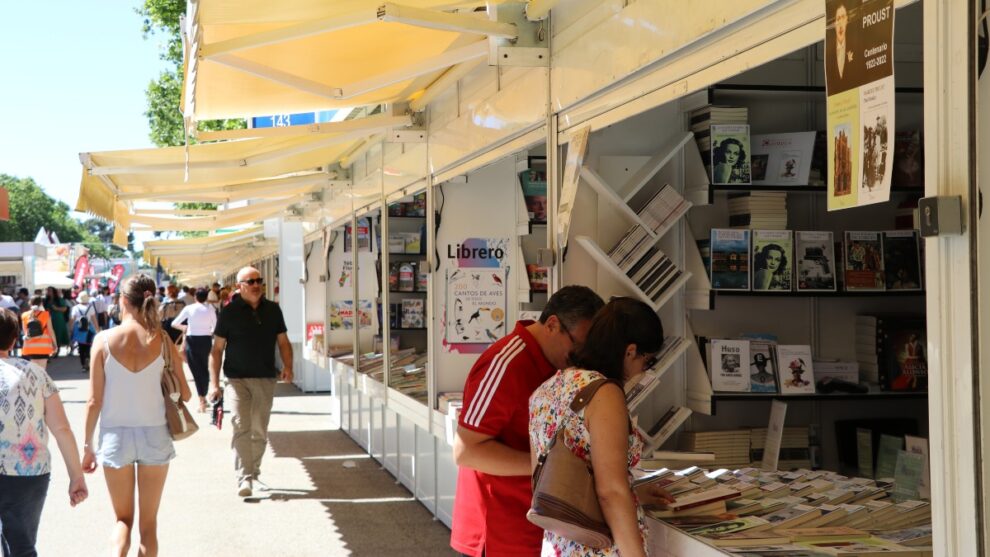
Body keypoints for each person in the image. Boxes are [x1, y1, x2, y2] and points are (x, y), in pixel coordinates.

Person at [450, 285, 605, 557]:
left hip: (539, 527)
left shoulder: (558, 365)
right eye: (578, 346)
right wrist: (548, 466)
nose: (581, 357)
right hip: (500, 531)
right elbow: (465, 451)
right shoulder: (505, 362)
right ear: (553, 324)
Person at [528, 297, 673, 557]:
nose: (643, 370)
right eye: (647, 361)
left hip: (560, 543)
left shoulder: (546, 390)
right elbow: (610, 492)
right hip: (599, 545)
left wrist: (635, 492)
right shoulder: (604, 393)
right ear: (630, 351)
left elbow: (551, 479)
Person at [82, 274, 190, 557]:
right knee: (149, 525)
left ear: (122, 301)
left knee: (122, 520)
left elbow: (94, 400)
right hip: (154, 433)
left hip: (115, 435)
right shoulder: (162, 339)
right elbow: (186, 394)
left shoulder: (103, 340)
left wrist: (87, 447)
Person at [0, 309, 88, 556]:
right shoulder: (38, 375)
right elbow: (61, 429)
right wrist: (76, 476)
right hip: (28, 471)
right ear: (15, 339)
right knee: (21, 546)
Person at [208, 267, 292, 498]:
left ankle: (253, 470)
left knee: (259, 430)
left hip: (265, 377)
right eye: (251, 281)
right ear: (240, 286)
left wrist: (288, 366)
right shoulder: (229, 313)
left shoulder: (274, 310)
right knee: (241, 425)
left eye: (259, 281)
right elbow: (216, 350)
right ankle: (244, 477)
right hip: (236, 380)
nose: (256, 285)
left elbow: (283, 342)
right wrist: (214, 384)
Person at [172, 288, 217, 413]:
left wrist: (184, 327)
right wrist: (207, 330)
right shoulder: (211, 309)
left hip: (192, 341)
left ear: (195, 297)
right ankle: (204, 397)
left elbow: (174, 323)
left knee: (196, 371)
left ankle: (202, 400)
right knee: (204, 368)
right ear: (206, 297)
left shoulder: (189, 309)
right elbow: (216, 327)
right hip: (206, 340)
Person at [825, 1, 862, 95]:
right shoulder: (829, 54)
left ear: (847, 21)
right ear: (834, 23)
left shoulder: (855, 47)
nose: (840, 23)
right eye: (838, 18)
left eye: (843, 18)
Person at [21, 296, 57, 370]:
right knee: (42, 371)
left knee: (34, 372)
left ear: (29, 303)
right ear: (41, 303)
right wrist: (55, 344)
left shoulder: (24, 315)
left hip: (30, 347)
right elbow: (51, 331)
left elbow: (25, 332)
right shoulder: (46, 314)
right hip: (43, 347)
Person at [70, 292, 102, 372]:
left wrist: (71, 329)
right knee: (88, 346)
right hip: (89, 328)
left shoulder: (75, 308)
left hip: (79, 328)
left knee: (81, 347)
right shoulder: (90, 307)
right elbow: (94, 319)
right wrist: (97, 329)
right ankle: (88, 357)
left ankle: (83, 365)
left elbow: (72, 319)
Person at [44, 287, 70, 357]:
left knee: (57, 334)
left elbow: (65, 308)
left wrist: (56, 308)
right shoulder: (46, 300)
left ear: (53, 291)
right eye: (47, 290)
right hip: (47, 319)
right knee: (48, 334)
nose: (48, 292)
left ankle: (56, 350)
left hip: (58, 319)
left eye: (50, 290)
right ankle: (50, 350)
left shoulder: (59, 299)